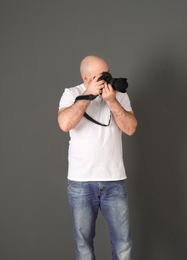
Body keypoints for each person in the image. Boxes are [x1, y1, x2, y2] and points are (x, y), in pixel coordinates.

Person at [57, 55, 137, 260]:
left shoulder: (118, 95)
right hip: (81, 182)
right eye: (100, 76)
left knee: (123, 244)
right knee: (83, 246)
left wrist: (112, 101)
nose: (106, 79)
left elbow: (130, 128)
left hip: (114, 180)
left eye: (108, 72)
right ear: (86, 78)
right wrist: (87, 96)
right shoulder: (71, 93)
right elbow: (65, 124)